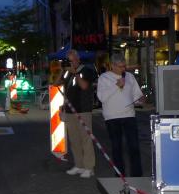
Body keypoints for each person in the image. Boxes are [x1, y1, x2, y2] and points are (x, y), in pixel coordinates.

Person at [97, 54, 144, 178]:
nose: (123, 69)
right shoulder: (104, 78)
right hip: (112, 118)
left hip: (129, 115)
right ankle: (120, 176)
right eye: (120, 66)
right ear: (112, 66)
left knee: (134, 146)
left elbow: (137, 94)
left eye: (124, 66)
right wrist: (116, 86)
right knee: (117, 147)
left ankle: (137, 176)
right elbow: (102, 97)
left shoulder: (130, 76)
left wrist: (140, 99)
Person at [62, 49, 97, 178]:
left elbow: (84, 86)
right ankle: (79, 165)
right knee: (74, 140)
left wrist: (75, 73)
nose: (71, 63)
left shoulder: (86, 70)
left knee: (86, 139)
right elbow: (56, 83)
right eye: (68, 61)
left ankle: (89, 167)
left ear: (78, 59)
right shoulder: (68, 72)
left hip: (83, 110)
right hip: (70, 110)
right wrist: (62, 70)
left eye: (72, 60)